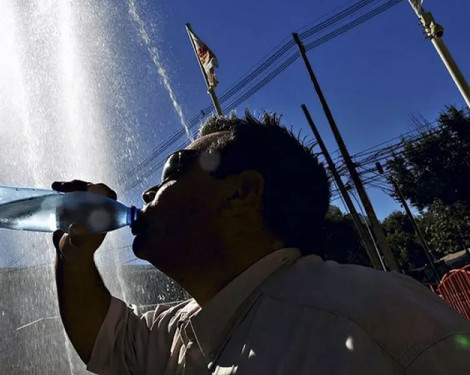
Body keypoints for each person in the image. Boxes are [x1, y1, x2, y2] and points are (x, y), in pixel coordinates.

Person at [51, 112, 470, 375]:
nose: (148, 193)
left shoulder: (373, 318)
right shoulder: (191, 329)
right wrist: (75, 254)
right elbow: (106, 339)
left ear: (241, 193)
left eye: (174, 169)